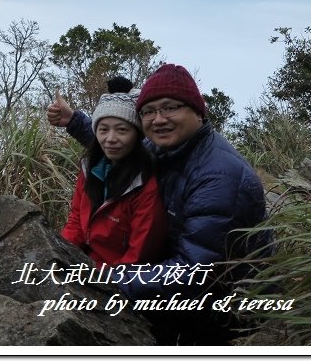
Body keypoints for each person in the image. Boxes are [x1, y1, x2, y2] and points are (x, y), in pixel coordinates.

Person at [48, 64, 270, 345]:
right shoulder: (167, 149)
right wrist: (74, 120)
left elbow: (195, 273)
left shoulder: (218, 176)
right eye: (148, 112)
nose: (159, 119)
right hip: (173, 278)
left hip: (224, 308)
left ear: (198, 111)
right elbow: (117, 143)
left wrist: (105, 282)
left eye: (170, 108)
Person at [60, 80, 167, 267]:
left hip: (116, 279)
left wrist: (96, 280)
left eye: (122, 130)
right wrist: (60, 255)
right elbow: (76, 221)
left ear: (137, 135)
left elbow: (138, 257)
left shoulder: (144, 184)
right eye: (103, 129)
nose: (110, 139)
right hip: (85, 263)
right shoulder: (90, 169)